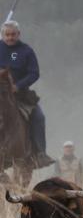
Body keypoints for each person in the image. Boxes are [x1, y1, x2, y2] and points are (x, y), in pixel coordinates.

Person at [0, 20, 54, 168]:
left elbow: (34, 73)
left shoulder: (26, 51)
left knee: (39, 116)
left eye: (13, 34)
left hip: (21, 95)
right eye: (7, 35)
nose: (10, 37)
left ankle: (40, 153)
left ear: (19, 34)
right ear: (3, 35)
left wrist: (18, 85)